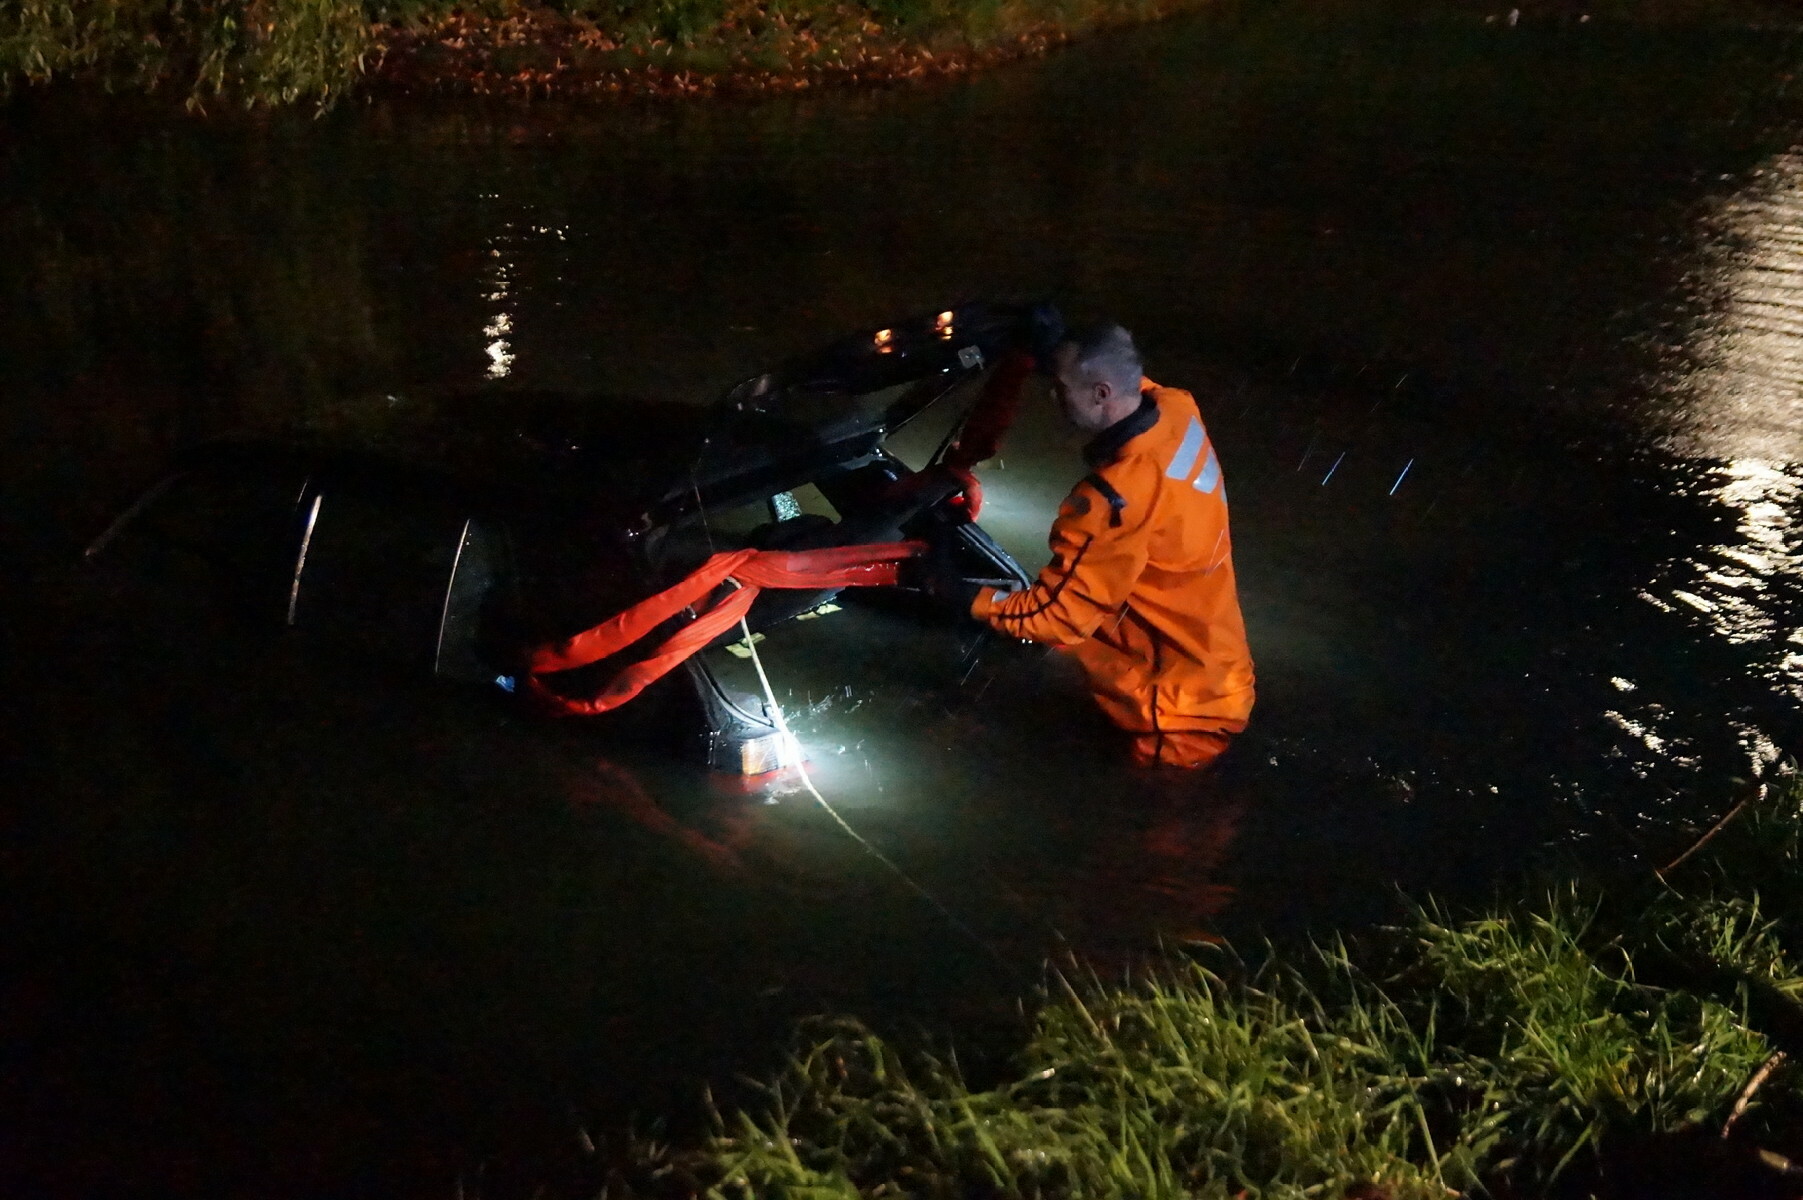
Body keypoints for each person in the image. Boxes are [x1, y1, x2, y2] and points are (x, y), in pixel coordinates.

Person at [925, 323, 1256, 769]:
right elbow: (1120, 364)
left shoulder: (1113, 502)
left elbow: (1056, 618)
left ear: (1101, 394)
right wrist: (1051, 347)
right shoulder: (1177, 410)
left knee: (1153, 828)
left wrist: (960, 594)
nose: (1053, 398)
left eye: (1061, 388)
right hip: (1216, 673)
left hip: (1175, 717)